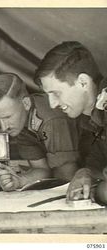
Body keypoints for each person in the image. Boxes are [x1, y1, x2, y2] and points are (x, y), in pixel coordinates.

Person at [34, 41, 107, 204]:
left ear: (83, 82)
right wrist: (86, 172)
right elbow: (97, 158)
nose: (52, 104)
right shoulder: (90, 118)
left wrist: (99, 189)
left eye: (56, 93)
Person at [0, 73, 79, 191]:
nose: (3, 127)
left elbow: (66, 177)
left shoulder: (50, 120)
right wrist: (19, 180)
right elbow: (42, 169)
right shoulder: (20, 123)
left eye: (7, 117)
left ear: (26, 103)